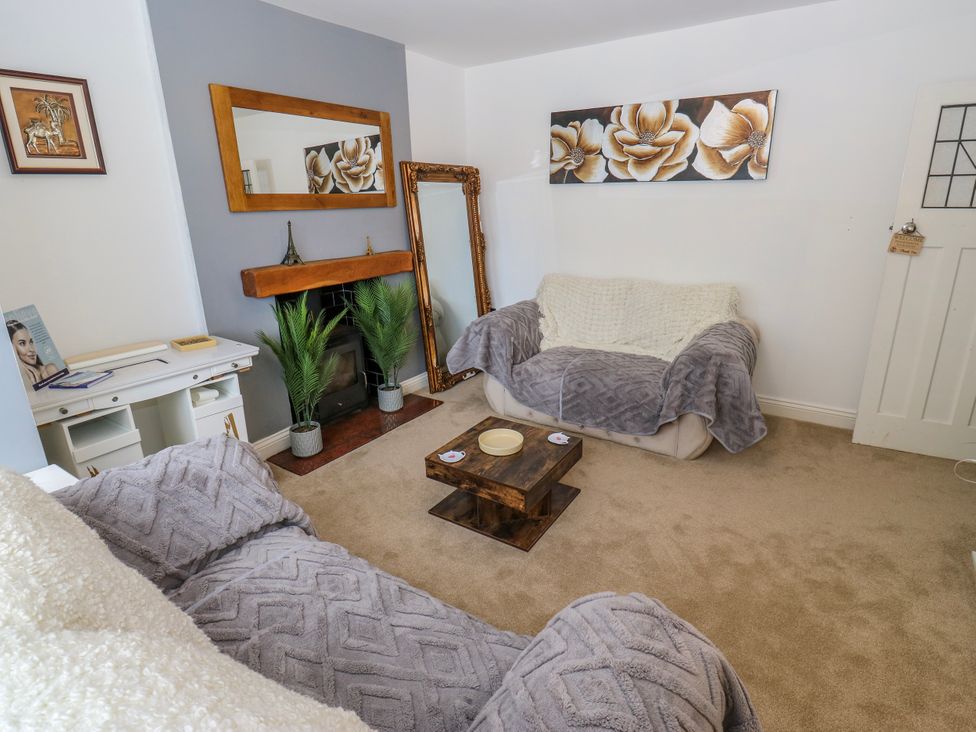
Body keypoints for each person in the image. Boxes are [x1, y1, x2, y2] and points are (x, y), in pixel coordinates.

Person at [6, 319, 59, 385]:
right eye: (22, 343)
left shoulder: (49, 370)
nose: (31, 349)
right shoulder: (11, 380)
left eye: (31, 342)